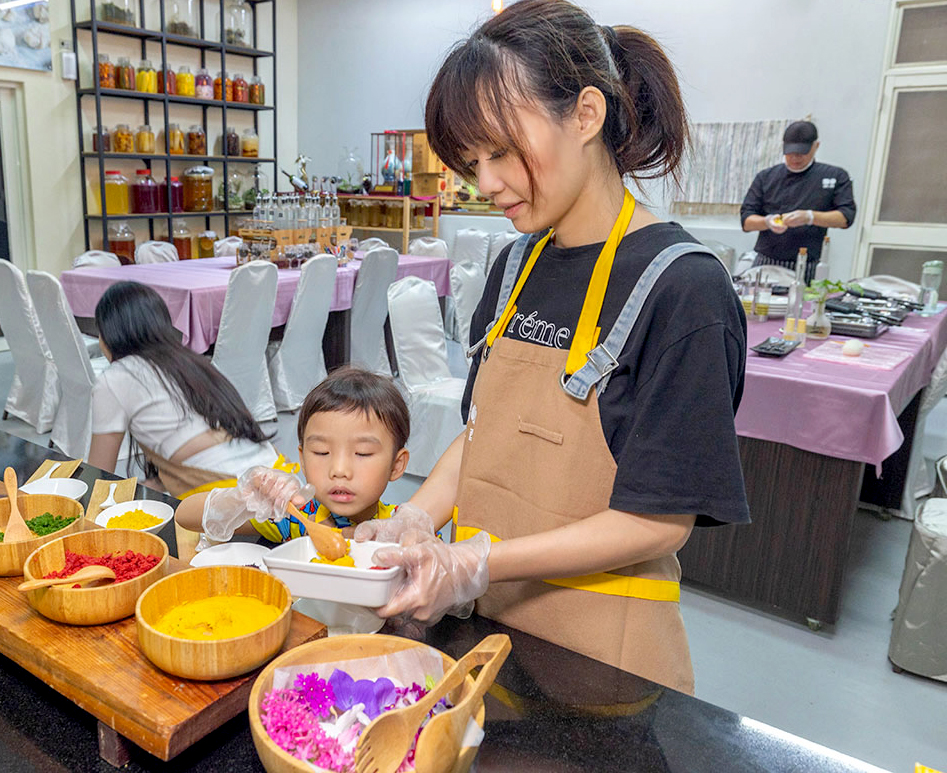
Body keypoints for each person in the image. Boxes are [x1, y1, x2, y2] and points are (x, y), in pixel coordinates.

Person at [347, 0, 750, 696]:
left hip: (599, 658)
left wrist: (476, 560)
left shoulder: (681, 288)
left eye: (500, 150)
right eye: (470, 159)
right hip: (486, 628)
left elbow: (656, 521)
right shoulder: (514, 266)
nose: (485, 182)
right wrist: (419, 515)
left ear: (586, 115)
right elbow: (483, 432)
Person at [175, 367, 410, 543]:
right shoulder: (297, 516)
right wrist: (242, 499)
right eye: (321, 452)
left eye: (362, 453)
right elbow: (185, 515)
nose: (339, 470)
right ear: (303, 459)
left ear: (396, 465)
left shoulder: (402, 526)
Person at [88, 281, 280, 496]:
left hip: (234, 494)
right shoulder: (189, 362)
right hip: (277, 473)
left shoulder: (115, 378)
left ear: (109, 334)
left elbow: (99, 473)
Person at [740, 120, 856, 282]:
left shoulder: (835, 176)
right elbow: (746, 221)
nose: (795, 158)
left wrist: (810, 217)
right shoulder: (766, 177)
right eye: (790, 153)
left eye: (801, 153)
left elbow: (845, 217)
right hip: (767, 260)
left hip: (808, 263)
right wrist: (768, 221)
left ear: (816, 146)